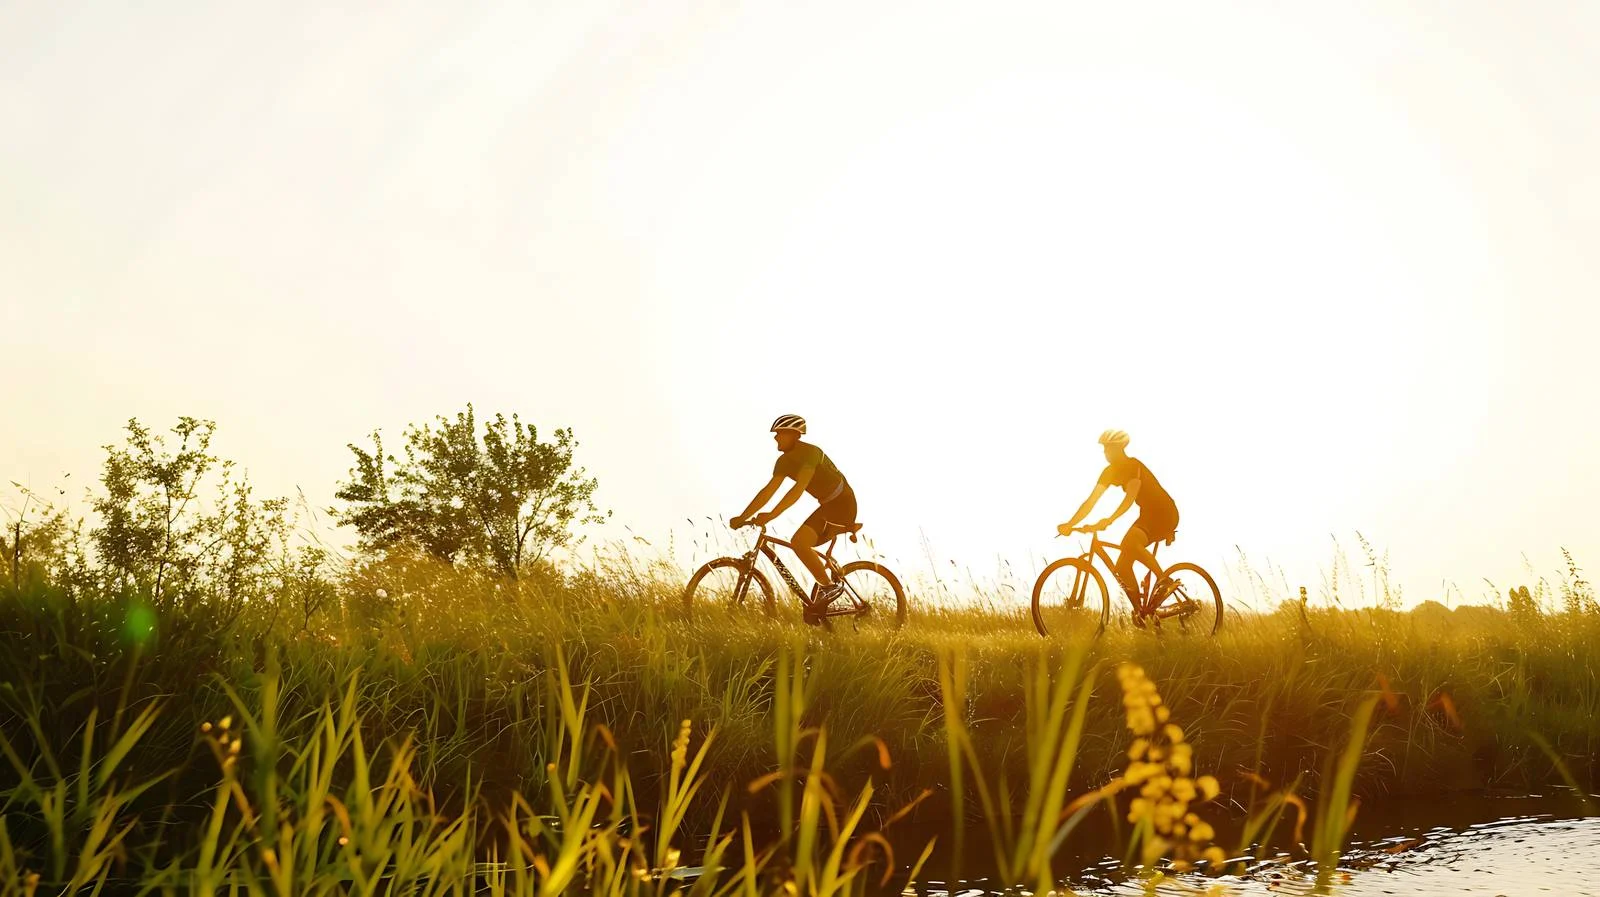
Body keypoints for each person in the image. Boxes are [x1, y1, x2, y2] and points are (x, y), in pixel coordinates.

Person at [730, 414, 857, 608]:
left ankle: (829, 587)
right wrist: (743, 517)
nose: (775, 438)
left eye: (779, 434)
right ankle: (818, 607)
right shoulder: (784, 462)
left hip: (842, 504)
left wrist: (771, 515)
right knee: (800, 543)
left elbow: (798, 489)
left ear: (793, 435)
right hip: (826, 505)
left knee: (799, 542)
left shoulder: (811, 453)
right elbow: (767, 492)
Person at [1057, 429, 1180, 604]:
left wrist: (1109, 519)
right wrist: (1070, 523)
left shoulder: (1133, 466)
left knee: (1130, 543)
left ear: (1120, 447)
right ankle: (1141, 612)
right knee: (1121, 567)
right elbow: (1091, 501)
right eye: (1104, 448)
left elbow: (1129, 498)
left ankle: (1164, 581)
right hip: (1147, 515)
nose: (1105, 452)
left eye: (1109, 448)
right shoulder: (1108, 472)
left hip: (1164, 512)